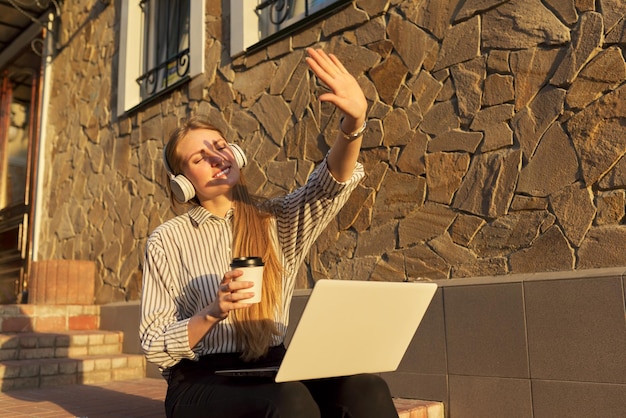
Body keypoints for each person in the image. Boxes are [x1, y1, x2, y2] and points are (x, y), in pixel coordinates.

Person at [140, 48, 398, 418]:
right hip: (199, 380)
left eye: (219, 147)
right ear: (183, 184)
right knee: (290, 402)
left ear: (237, 154)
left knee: (368, 389)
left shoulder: (275, 219)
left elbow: (329, 185)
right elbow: (154, 342)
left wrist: (353, 124)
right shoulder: (167, 240)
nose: (215, 157)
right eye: (199, 158)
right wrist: (211, 312)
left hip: (274, 367)